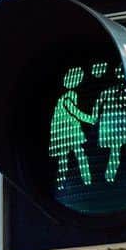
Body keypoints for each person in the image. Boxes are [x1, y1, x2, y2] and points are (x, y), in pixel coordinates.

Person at [48, 66, 96, 201]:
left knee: (64, 160)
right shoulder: (69, 96)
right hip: (69, 132)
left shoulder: (62, 97)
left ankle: (61, 183)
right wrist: (90, 119)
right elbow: (74, 111)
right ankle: (86, 180)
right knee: (80, 155)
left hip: (61, 133)